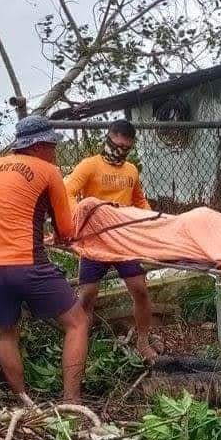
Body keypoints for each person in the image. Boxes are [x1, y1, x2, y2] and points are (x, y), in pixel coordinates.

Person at [0, 115, 89, 404]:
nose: (55, 150)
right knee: (77, 322)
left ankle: (24, 403)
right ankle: (72, 403)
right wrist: (65, 236)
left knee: (6, 333)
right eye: (52, 144)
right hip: (26, 264)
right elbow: (65, 230)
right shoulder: (49, 171)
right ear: (38, 145)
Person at [64, 119, 159, 361]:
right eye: (116, 145)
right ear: (108, 139)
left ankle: (143, 341)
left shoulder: (131, 171)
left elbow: (139, 201)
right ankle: (80, 342)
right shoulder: (89, 166)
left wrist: (151, 220)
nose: (119, 152)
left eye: (125, 148)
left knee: (140, 290)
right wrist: (80, 216)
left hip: (122, 240)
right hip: (94, 239)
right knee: (87, 294)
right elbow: (68, 192)